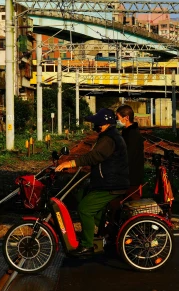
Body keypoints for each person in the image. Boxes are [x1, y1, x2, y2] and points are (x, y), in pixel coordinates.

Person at [55, 108, 129, 255]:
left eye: (97, 123)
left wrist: (70, 164)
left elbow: (93, 156)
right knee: (81, 195)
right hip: (106, 181)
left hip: (111, 184)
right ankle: (108, 229)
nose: (95, 126)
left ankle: (87, 244)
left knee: (84, 209)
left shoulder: (108, 139)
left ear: (105, 123)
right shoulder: (107, 136)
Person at [116, 104, 144, 196]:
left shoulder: (132, 134)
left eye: (118, 117)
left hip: (132, 178)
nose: (117, 120)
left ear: (126, 117)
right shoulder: (128, 131)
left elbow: (128, 156)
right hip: (128, 176)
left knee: (132, 202)